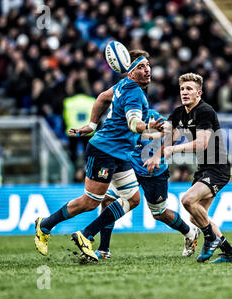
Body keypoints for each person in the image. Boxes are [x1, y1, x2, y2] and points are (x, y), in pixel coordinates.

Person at [35, 50, 164, 261]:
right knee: (90, 202)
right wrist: (150, 125)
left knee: (132, 199)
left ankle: (87, 235)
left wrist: (92, 125)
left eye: (148, 65)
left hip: (119, 153)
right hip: (104, 150)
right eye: (141, 66)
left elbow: (103, 97)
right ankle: (46, 225)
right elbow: (133, 123)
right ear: (130, 72)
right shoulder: (134, 93)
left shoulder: (123, 85)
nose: (147, 69)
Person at [94, 109, 201, 259]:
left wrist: (158, 155)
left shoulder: (153, 116)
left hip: (153, 170)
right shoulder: (122, 117)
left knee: (159, 213)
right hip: (128, 167)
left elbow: (176, 133)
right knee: (108, 199)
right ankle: (104, 249)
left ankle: (190, 232)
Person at [163, 72, 232, 263]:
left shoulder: (206, 111)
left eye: (189, 89)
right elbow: (167, 137)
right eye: (182, 89)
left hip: (218, 168)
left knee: (188, 200)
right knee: (195, 218)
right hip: (203, 169)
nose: (184, 92)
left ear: (199, 93)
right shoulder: (179, 113)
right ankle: (230, 253)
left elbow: (202, 143)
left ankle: (210, 239)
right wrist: (152, 131)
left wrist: (173, 149)